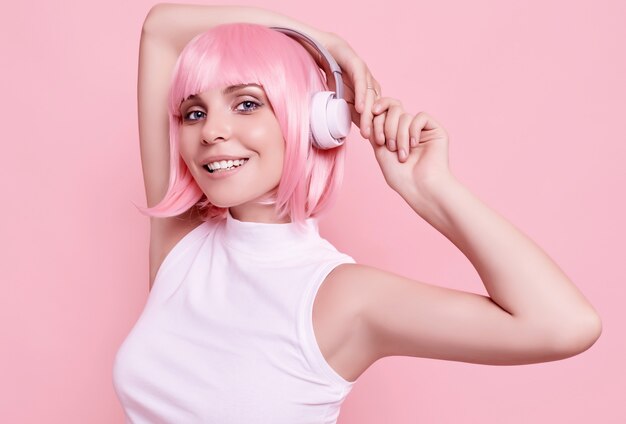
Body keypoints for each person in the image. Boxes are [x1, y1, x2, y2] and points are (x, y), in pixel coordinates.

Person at [112, 4, 602, 423]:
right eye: (194, 112)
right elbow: (161, 28)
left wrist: (433, 192)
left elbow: (564, 325)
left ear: (313, 120)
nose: (212, 131)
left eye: (246, 103)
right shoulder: (182, 245)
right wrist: (320, 42)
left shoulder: (341, 296)